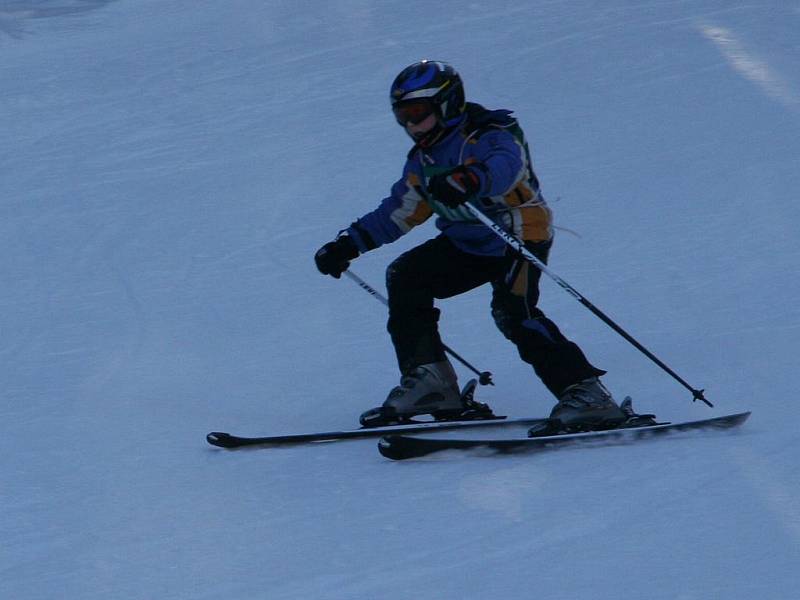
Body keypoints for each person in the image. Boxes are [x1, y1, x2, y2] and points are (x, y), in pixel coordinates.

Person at [314, 60, 624, 429]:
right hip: (468, 242)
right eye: (403, 116)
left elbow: (506, 167)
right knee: (406, 276)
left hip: (519, 234)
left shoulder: (490, 134)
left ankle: (587, 395)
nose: (412, 125)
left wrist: (469, 179)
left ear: (447, 103)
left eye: (418, 113)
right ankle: (431, 382)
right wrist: (349, 244)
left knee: (513, 312)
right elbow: (399, 211)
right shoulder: (423, 161)